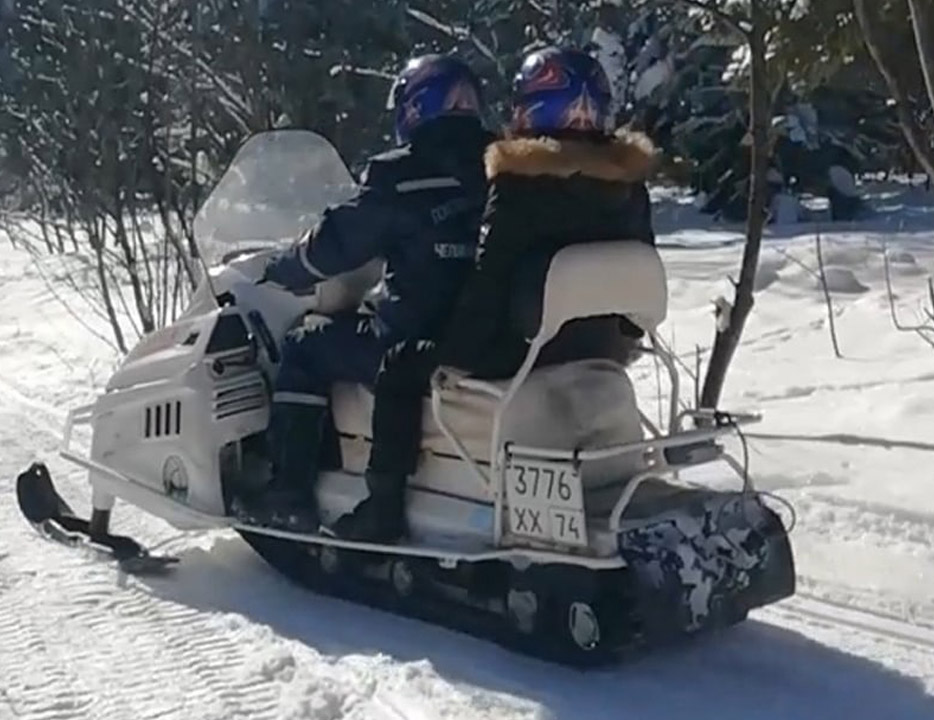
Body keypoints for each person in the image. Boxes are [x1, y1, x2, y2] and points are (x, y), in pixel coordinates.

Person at [236, 54, 492, 534]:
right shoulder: (501, 167)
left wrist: (284, 267)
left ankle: (289, 493)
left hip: (408, 337)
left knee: (305, 344)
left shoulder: (401, 174)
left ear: (414, 108)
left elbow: (337, 244)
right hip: (485, 336)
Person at [435, 46, 659, 382]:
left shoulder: (521, 184)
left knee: (400, 363)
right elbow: (636, 306)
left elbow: (490, 279)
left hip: (524, 357)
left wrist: (451, 356)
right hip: (608, 351)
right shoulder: (628, 185)